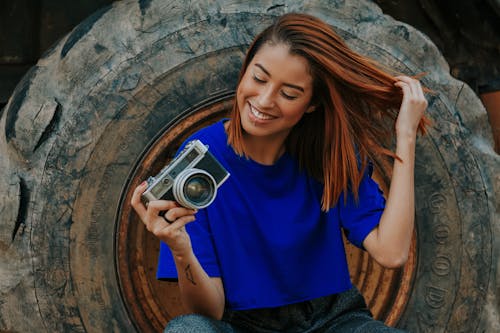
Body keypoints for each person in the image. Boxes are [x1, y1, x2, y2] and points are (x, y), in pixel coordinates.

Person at [131, 12, 428, 333]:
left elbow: (392, 252)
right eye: (258, 79)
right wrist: (179, 246)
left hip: (331, 321)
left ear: (311, 104)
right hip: (240, 324)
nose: (264, 100)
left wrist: (406, 135)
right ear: (244, 72)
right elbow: (209, 311)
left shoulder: (329, 152)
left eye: (289, 94)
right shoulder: (201, 156)